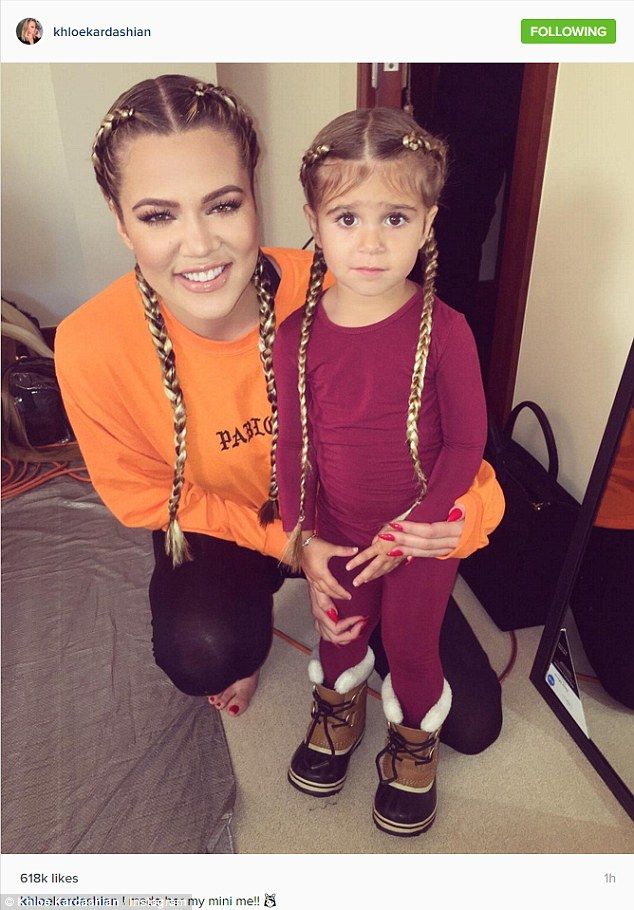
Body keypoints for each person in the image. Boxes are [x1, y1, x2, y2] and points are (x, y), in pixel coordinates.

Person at [55, 75, 502, 750]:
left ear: (256, 201)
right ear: (121, 222)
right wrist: (287, 543)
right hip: (232, 529)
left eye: (222, 204)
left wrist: (455, 524)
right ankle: (249, 627)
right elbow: (140, 494)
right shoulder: (91, 343)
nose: (199, 244)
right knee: (205, 646)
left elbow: (458, 449)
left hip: (360, 525)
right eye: (158, 215)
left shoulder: (341, 284)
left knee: (470, 721)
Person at [272, 107, 488, 837]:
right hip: (336, 532)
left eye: (395, 217)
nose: (370, 242)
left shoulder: (447, 328)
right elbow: (293, 451)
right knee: (339, 632)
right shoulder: (295, 336)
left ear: (428, 222)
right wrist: (301, 539)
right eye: (348, 217)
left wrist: (420, 526)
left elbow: (466, 443)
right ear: (314, 218)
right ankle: (339, 708)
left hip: (418, 537)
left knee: (414, 644)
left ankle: (414, 741)